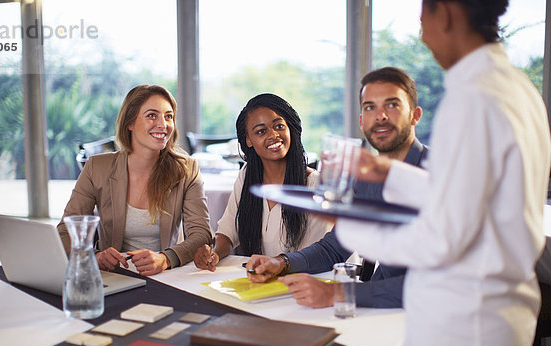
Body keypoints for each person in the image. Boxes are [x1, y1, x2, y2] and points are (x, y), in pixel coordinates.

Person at [333, 1, 551, 346]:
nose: (423, 35)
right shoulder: (516, 87)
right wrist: (388, 172)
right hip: (496, 325)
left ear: (446, 13)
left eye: (422, 20)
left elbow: (443, 238)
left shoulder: (472, 98)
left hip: (461, 335)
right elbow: (472, 201)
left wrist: (349, 224)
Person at [246, 67, 428, 309]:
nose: (380, 116)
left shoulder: (439, 177)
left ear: (415, 115)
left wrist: (338, 293)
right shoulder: (364, 178)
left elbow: (435, 282)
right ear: (362, 122)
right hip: (380, 310)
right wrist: (282, 263)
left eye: (392, 105)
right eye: (370, 107)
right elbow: (337, 246)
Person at [57, 84, 212, 276]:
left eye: (168, 116)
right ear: (129, 123)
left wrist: (166, 259)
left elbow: (202, 234)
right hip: (113, 276)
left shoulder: (187, 170)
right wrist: (92, 256)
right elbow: (66, 230)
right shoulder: (97, 167)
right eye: (151, 115)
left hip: (164, 276)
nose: (163, 124)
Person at [193, 93, 332, 270]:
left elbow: (318, 256)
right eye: (261, 131)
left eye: (279, 126)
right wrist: (214, 253)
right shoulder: (246, 176)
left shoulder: (315, 186)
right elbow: (228, 233)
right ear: (249, 140)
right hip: (260, 281)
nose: (274, 135)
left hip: (304, 283)